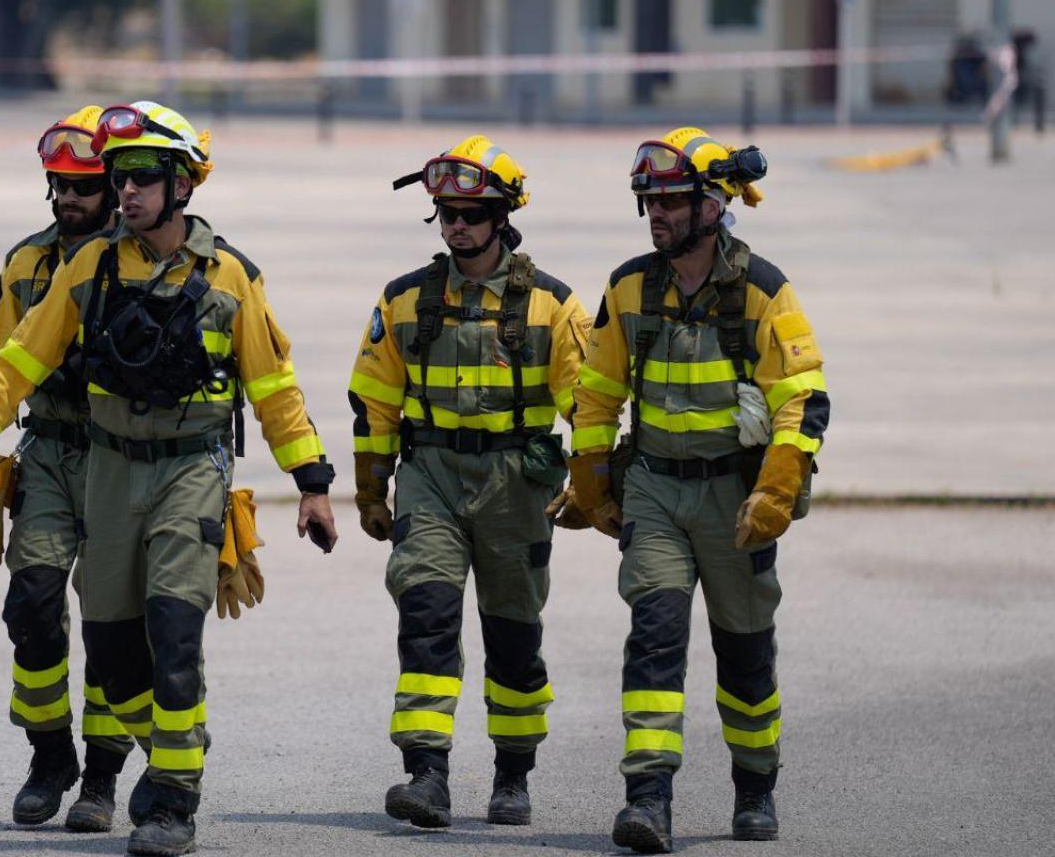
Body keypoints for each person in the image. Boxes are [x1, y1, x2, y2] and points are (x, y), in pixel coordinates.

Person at [0, 101, 339, 856]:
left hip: (191, 469)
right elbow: (16, 364)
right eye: (119, 178)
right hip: (106, 471)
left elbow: (275, 389)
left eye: (141, 178)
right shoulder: (88, 267)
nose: (124, 191)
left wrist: (312, 480)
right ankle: (151, 752)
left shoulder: (231, 275)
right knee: (109, 646)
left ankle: (172, 799)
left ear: (182, 186)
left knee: (173, 628)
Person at [554, 127, 828, 852]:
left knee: (745, 655)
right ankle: (648, 800)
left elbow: (803, 398)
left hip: (734, 498)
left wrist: (776, 489)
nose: (658, 213)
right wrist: (590, 479)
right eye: (651, 201)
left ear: (713, 205)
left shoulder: (764, 290)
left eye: (673, 201)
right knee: (655, 637)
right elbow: (597, 393)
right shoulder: (628, 288)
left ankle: (755, 787)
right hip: (654, 493)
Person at [349, 135, 587, 829]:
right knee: (425, 615)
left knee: (514, 632)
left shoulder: (552, 305)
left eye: (472, 214)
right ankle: (427, 775)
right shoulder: (403, 300)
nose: (456, 225)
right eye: (447, 213)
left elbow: (589, 403)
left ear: (503, 217)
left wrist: (595, 480)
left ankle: (513, 775)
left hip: (517, 484)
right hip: (431, 475)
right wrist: (370, 488)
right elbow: (374, 401)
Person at [0, 106, 137, 832]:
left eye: (82, 186)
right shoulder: (26, 262)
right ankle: (50, 754)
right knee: (31, 605)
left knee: (113, 622)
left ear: (114, 187)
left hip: (123, 457)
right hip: (49, 453)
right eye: (58, 184)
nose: (66, 197)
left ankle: (102, 778)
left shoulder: (142, 261)